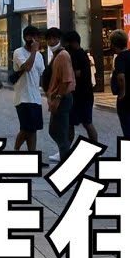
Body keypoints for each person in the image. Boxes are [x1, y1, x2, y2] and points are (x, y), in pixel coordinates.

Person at [10, 26, 47, 156]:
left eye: (37, 37)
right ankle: (16, 151)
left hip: (35, 97)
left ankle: (33, 156)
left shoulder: (39, 56)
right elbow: (27, 67)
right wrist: (33, 52)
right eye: (32, 36)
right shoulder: (18, 52)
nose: (35, 39)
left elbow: (42, 74)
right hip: (23, 97)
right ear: (26, 38)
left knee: (33, 129)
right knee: (26, 128)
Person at [45, 30, 76, 164]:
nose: (52, 42)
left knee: (60, 131)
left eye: (55, 39)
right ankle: (64, 152)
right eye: (49, 39)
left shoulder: (63, 55)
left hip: (62, 97)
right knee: (54, 130)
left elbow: (66, 80)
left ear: (60, 39)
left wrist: (58, 98)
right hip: (56, 97)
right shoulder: (56, 55)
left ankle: (65, 158)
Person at [64, 31, 97, 144]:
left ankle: (67, 149)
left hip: (81, 95)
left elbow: (77, 73)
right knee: (76, 123)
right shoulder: (82, 54)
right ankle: (66, 149)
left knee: (85, 123)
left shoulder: (77, 55)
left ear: (72, 42)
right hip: (83, 94)